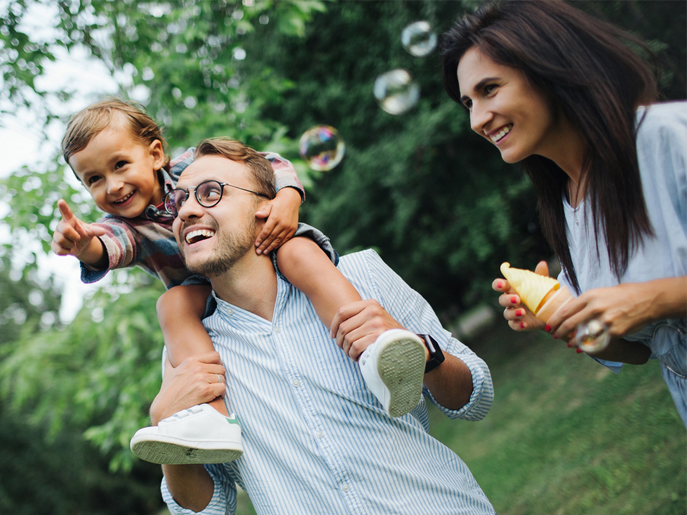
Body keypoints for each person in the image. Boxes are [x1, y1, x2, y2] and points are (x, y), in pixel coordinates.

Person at [52, 99, 432, 464]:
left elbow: (267, 163)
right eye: (94, 179)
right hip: (213, 295)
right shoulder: (123, 227)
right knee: (171, 304)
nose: (113, 186)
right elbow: (107, 247)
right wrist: (84, 246)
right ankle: (214, 420)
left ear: (154, 154)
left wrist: (287, 197)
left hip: (264, 253)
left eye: (120, 164)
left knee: (297, 252)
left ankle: (377, 352)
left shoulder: (193, 166)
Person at [152, 138, 496, 514]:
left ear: (266, 207)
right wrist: (167, 429)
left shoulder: (360, 276)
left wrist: (420, 350)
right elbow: (209, 509)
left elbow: (475, 398)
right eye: (179, 200)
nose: (185, 211)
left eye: (210, 193)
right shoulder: (187, 351)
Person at [441, 0, 687, 424]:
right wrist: (565, 320)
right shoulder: (567, 206)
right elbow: (641, 350)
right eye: (467, 103)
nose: (477, 120)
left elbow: (643, 307)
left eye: (489, 89)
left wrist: (647, 300)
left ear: (547, 69)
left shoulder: (664, 137)